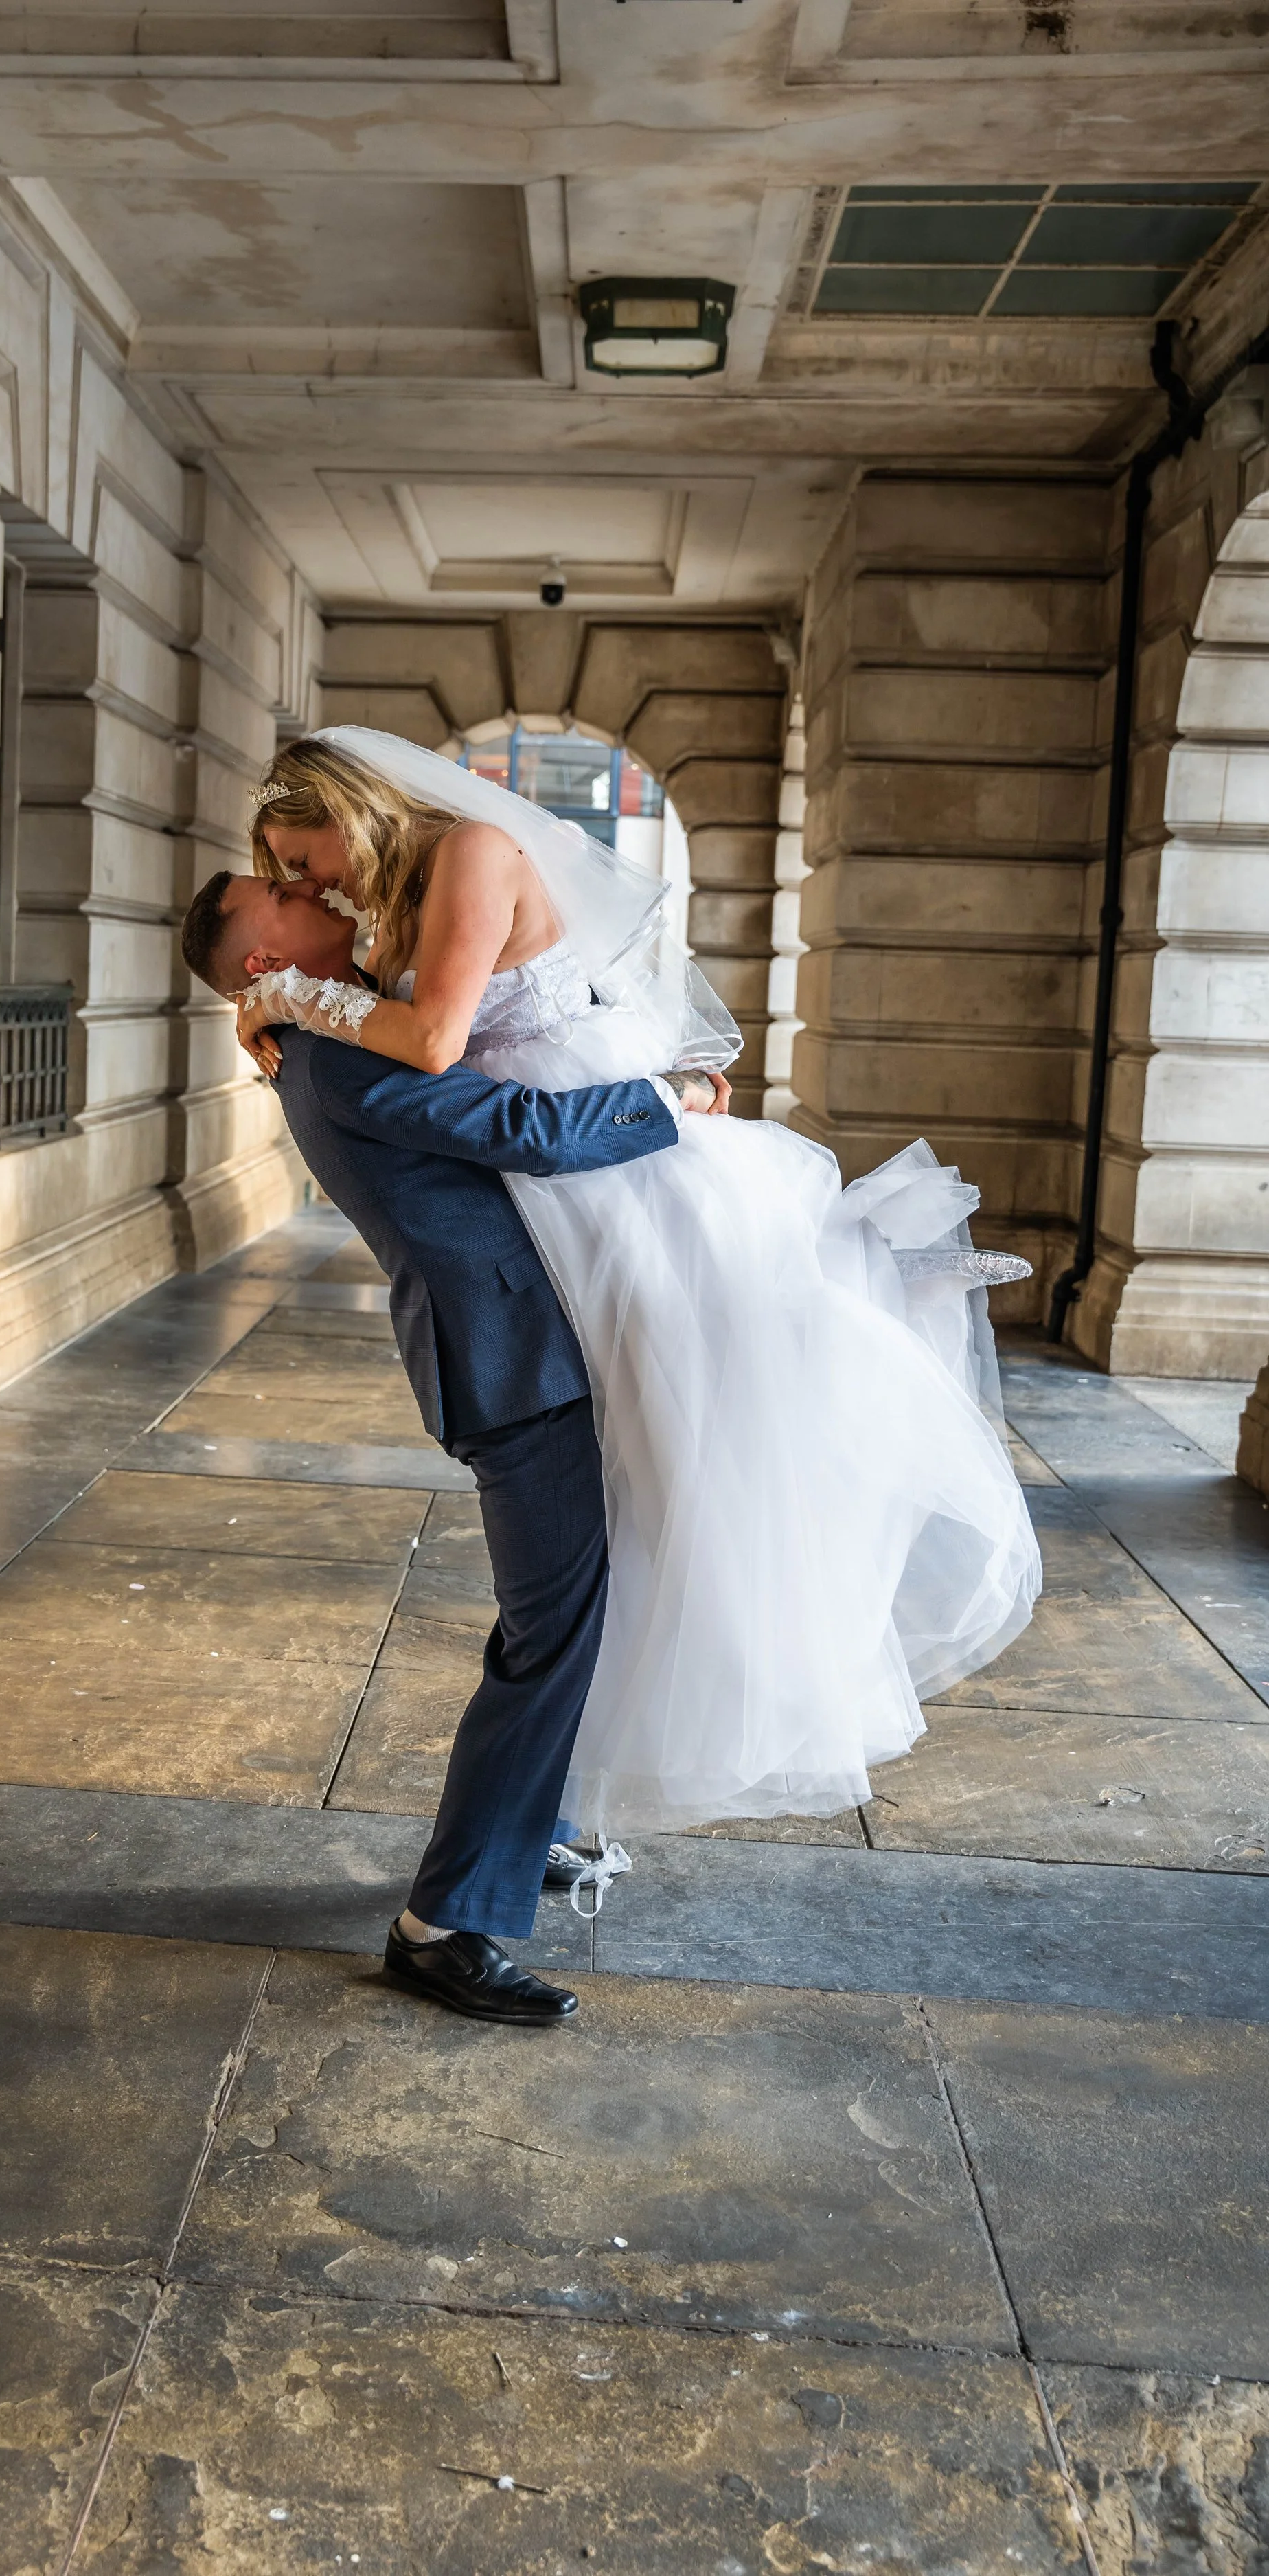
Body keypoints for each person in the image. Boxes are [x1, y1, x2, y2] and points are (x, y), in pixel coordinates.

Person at [225, 729, 1041, 1855]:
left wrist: (289, 995)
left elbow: (437, 1042)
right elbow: (420, 1051)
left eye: (299, 859)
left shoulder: (466, 854)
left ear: (344, 804)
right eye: (284, 883)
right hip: (551, 1193)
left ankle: (873, 1280)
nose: (306, 884)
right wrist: (283, 992)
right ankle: (536, 1821)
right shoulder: (373, 937)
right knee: (643, 1493)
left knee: (725, 1378)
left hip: (597, 1157)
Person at [180, 863, 720, 2025]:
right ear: (265, 957)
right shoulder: (336, 1056)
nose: (297, 882)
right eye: (271, 889)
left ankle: (535, 1830)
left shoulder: (337, 1030)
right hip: (511, 1360)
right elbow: (516, 1126)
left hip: (528, 1345)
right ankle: (442, 1925)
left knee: (565, 1610)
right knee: (550, 1631)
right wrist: (671, 1102)